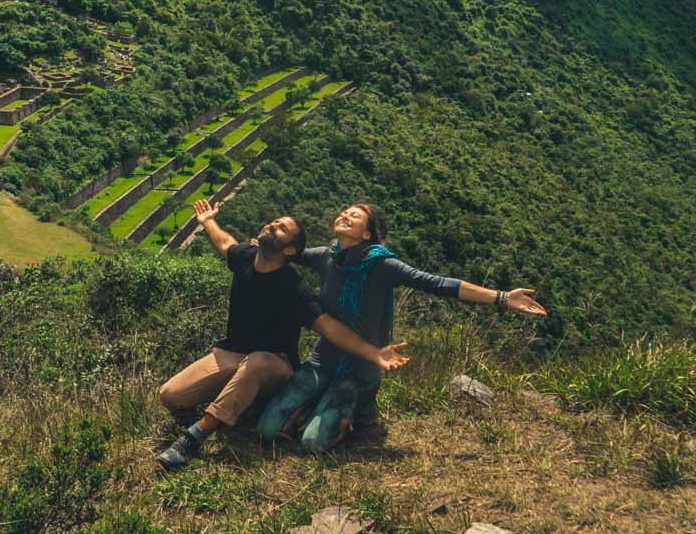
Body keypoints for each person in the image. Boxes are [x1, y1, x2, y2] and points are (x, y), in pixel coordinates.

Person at [258, 202, 548, 453]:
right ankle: (317, 403)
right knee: (267, 429)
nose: (345, 215)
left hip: (361, 367)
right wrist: (251, 247)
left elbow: (438, 283)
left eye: (354, 216)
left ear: (367, 234)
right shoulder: (326, 256)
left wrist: (502, 297)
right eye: (344, 212)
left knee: (313, 443)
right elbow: (285, 251)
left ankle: (359, 412)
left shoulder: (383, 265)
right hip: (324, 360)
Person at [156, 199, 411, 471]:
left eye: (281, 229)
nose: (272, 225)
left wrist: (374, 352)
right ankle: (240, 406)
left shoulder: (294, 288)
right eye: (274, 223)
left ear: (289, 249)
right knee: (170, 395)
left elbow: (330, 328)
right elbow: (224, 243)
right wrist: (207, 221)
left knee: (257, 363)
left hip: (275, 365)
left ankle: (192, 439)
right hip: (232, 354)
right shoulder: (245, 258)